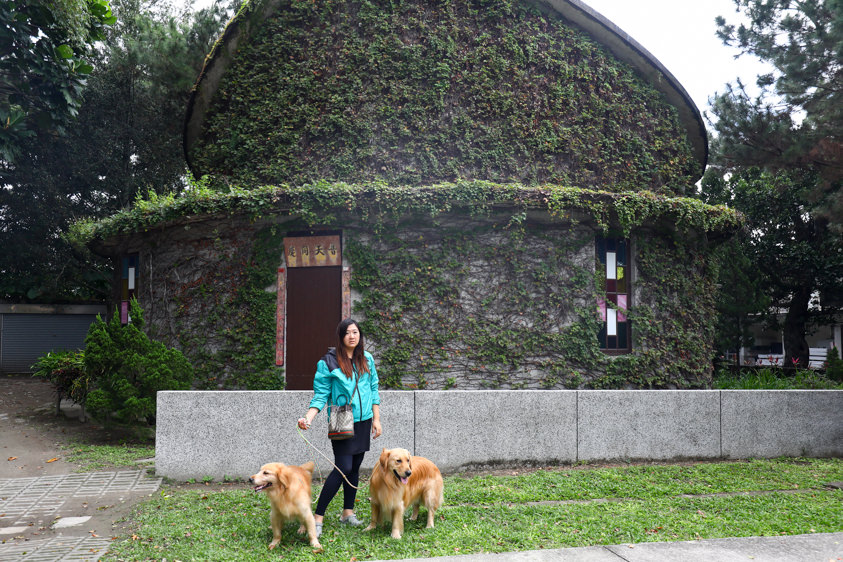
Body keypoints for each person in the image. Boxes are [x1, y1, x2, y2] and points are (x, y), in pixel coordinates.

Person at [297, 318, 382, 537]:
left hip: (364, 421)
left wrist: (377, 419)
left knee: (354, 467)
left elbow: (373, 390)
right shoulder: (328, 362)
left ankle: (347, 512)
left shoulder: (367, 359)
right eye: (348, 333)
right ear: (341, 337)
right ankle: (317, 517)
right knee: (343, 467)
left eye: (356, 332)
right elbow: (321, 394)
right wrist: (308, 417)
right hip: (342, 420)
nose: (352, 336)